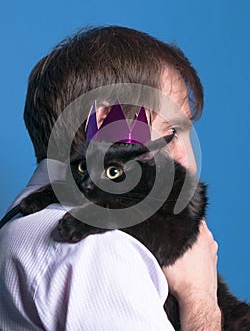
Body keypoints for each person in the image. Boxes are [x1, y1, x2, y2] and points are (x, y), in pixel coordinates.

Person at [0, 26, 221, 330]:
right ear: (107, 125)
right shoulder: (97, 249)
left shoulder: (18, 228)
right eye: (170, 133)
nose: (185, 158)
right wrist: (200, 297)